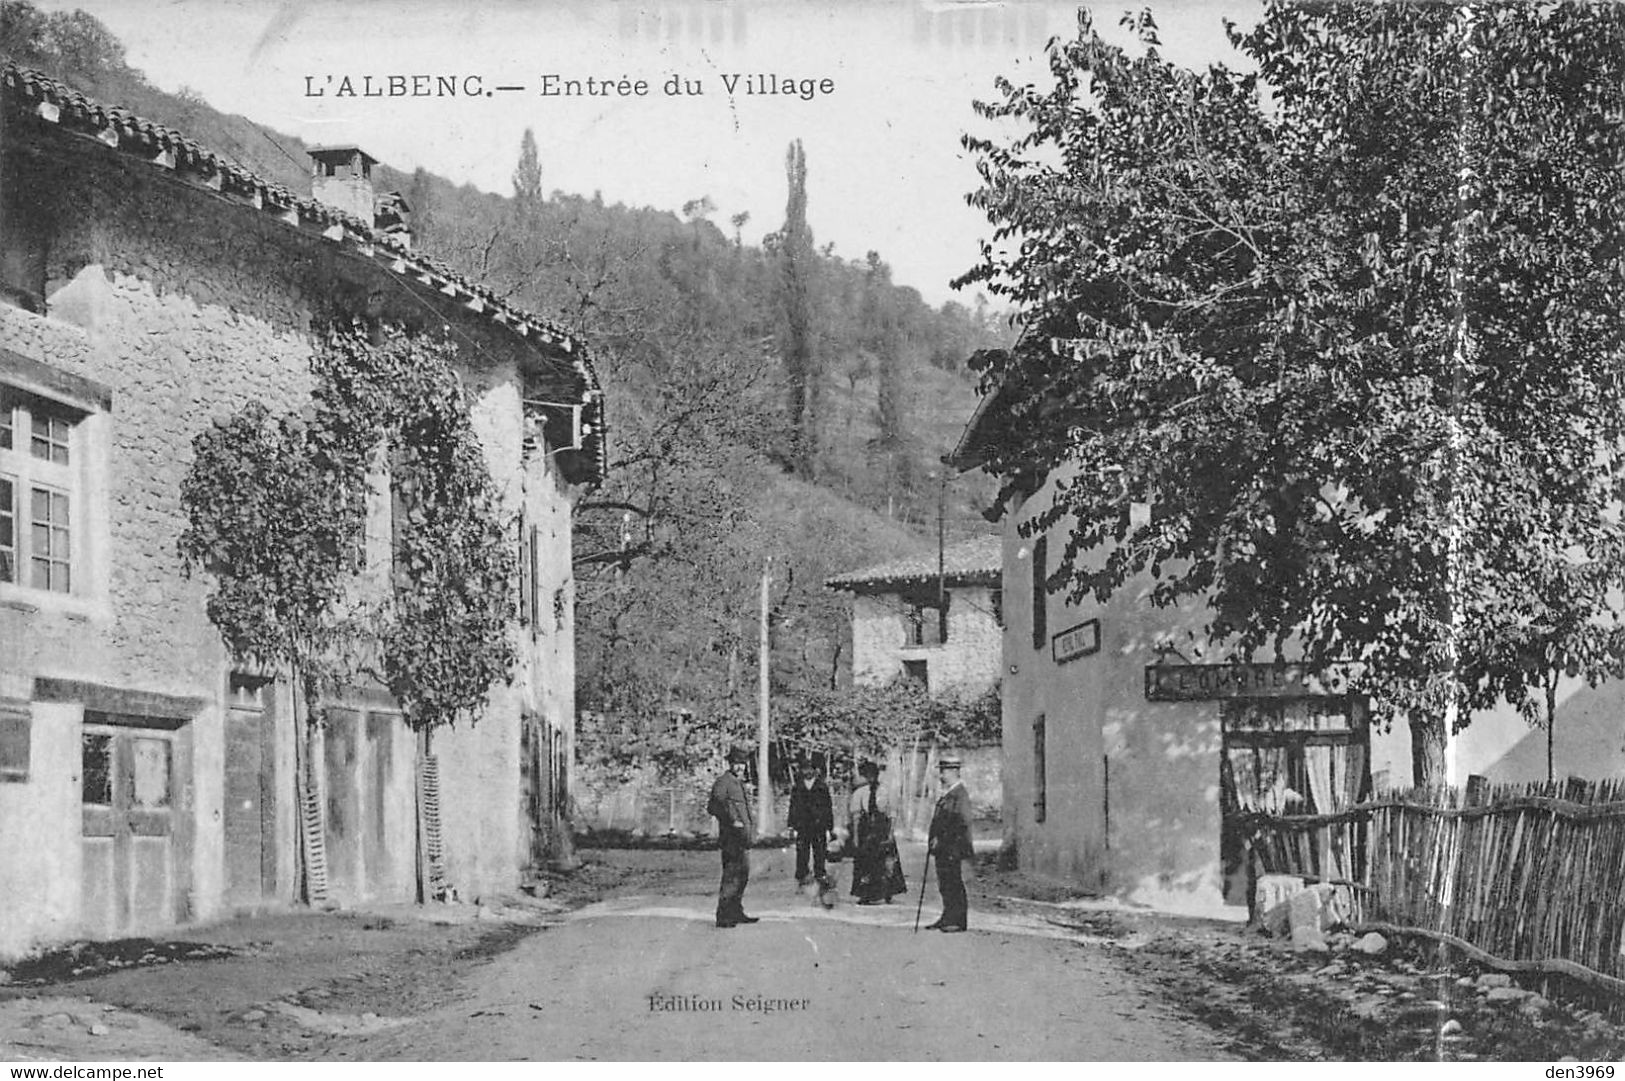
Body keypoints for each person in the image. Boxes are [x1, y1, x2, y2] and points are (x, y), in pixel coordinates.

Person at [708, 745, 759, 928]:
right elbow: (714, 805)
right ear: (730, 764)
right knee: (731, 876)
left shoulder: (738, 783)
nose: (740, 767)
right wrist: (731, 821)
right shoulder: (724, 782)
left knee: (742, 875)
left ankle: (736, 911)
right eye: (736, 763)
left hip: (742, 838)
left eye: (742, 764)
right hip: (731, 838)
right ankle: (723, 916)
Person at [925, 754, 975, 932]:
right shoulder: (949, 794)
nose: (941, 775)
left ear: (954, 771)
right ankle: (947, 917)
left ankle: (958, 921)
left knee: (953, 883)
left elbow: (961, 823)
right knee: (945, 883)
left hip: (952, 847)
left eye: (944, 771)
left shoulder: (960, 794)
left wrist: (943, 840)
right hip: (943, 848)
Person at [847, 760, 906, 905]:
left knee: (886, 861)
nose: (871, 778)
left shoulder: (885, 791)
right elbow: (856, 817)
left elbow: (892, 814)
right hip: (866, 830)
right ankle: (865, 894)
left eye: (873, 775)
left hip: (882, 829)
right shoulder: (860, 793)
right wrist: (855, 837)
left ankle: (887, 892)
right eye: (868, 776)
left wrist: (891, 833)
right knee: (865, 862)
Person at [788, 760, 835, 888]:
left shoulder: (822, 787)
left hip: (819, 824)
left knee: (819, 850)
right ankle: (802, 874)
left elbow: (828, 807)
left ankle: (820, 873)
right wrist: (791, 825)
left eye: (810, 769)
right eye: (805, 769)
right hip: (802, 824)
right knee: (802, 850)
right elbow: (793, 807)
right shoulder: (797, 787)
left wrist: (830, 827)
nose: (807, 772)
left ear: (815, 771)